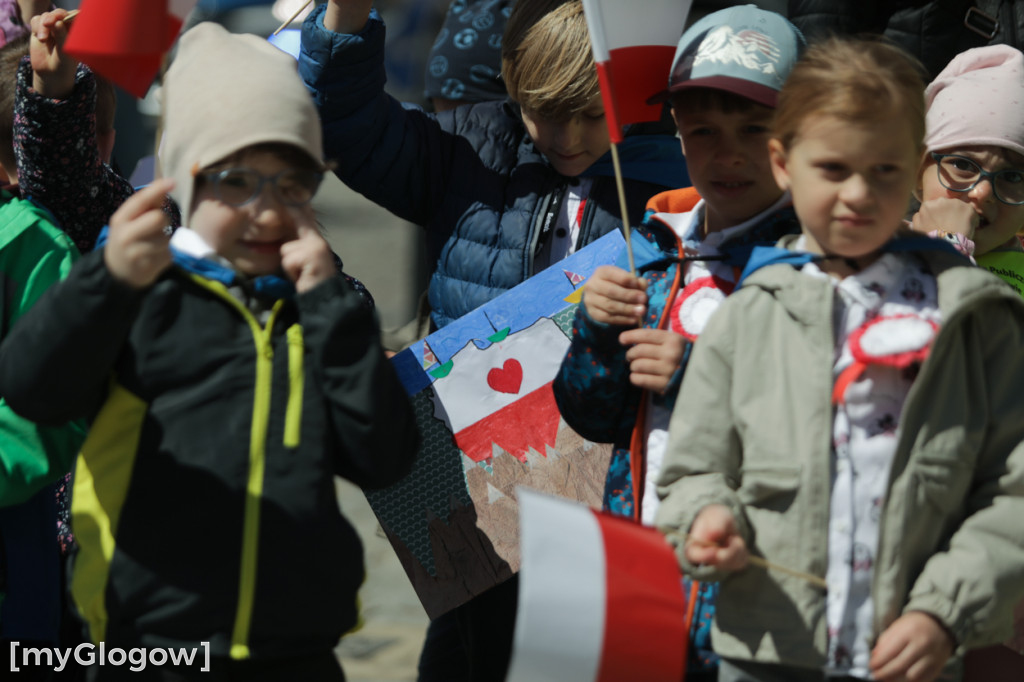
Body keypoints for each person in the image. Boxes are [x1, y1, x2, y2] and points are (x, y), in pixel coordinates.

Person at [0, 21, 418, 681]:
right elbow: (31, 386)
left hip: (297, 649)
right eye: (236, 181)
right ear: (185, 185)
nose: (267, 210)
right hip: (152, 643)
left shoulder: (322, 306)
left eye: (292, 182)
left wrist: (333, 312)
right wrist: (102, 284)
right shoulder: (143, 292)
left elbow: (385, 454)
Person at [301, 1, 687, 679]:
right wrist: (348, 17)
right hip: (480, 491)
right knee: (470, 656)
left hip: (613, 493)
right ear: (511, 82)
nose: (566, 136)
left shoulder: (675, 179)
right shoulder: (468, 150)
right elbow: (345, 121)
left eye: (592, 114)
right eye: (545, 112)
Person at [654, 36, 1024, 682]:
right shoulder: (749, 313)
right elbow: (694, 470)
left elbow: (1012, 489)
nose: (856, 193)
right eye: (832, 168)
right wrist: (705, 519)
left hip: (915, 655)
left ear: (914, 168)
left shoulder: (975, 316)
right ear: (782, 163)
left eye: (883, 171)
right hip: (767, 651)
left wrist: (944, 610)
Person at [552, 6, 804, 678]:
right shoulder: (656, 246)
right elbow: (594, 416)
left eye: (756, 130)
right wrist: (598, 335)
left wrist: (698, 375)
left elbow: (830, 419)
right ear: (675, 132)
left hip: (759, 586)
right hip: (643, 566)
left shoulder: (817, 262)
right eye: (703, 131)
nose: (727, 154)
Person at [910, 44, 1024, 297]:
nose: (982, 192)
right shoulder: (877, 249)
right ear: (918, 171)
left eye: (1012, 176)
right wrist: (946, 246)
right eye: (962, 164)